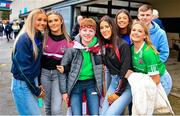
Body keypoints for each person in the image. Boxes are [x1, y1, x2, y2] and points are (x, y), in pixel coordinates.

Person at [57, 18, 103, 115]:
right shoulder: (72, 47)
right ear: (80, 31)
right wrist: (64, 91)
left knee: (95, 113)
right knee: (76, 113)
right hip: (75, 84)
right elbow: (62, 69)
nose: (87, 33)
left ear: (95, 32)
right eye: (84, 30)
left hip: (91, 84)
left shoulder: (98, 47)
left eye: (91, 31)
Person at [11, 9, 47, 115]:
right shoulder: (24, 39)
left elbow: (37, 64)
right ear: (31, 20)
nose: (43, 23)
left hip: (32, 81)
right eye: (39, 19)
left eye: (45, 20)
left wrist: (38, 83)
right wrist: (36, 90)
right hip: (22, 84)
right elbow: (24, 70)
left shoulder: (38, 36)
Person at [99, 15, 132, 115]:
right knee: (103, 113)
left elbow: (126, 72)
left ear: (112, 27)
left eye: (107, 27)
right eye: (101, 28)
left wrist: (117, 93)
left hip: (126, 85)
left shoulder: (123, 45)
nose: (104, 30)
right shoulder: (103, 45)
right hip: (114, 83)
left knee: (110, 114)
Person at [41, 10, 71, 115]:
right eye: (50, 21)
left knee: (56, 109)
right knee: (47, 107)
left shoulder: (68, 40)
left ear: (61, 21)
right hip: (44, 74)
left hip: (58, 76)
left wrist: (66, 69)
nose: (53, 23)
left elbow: (73, 63)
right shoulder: (43, 37)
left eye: (56, 20)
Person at [130, 19, 172, 95]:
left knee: (156, 106)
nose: (136, 33)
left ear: (145, 36)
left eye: (140, 31)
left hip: (161, 82)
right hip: (149, 80)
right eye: (134, 30)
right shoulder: (131, 48)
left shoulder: (147, 53)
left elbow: (156, 80)